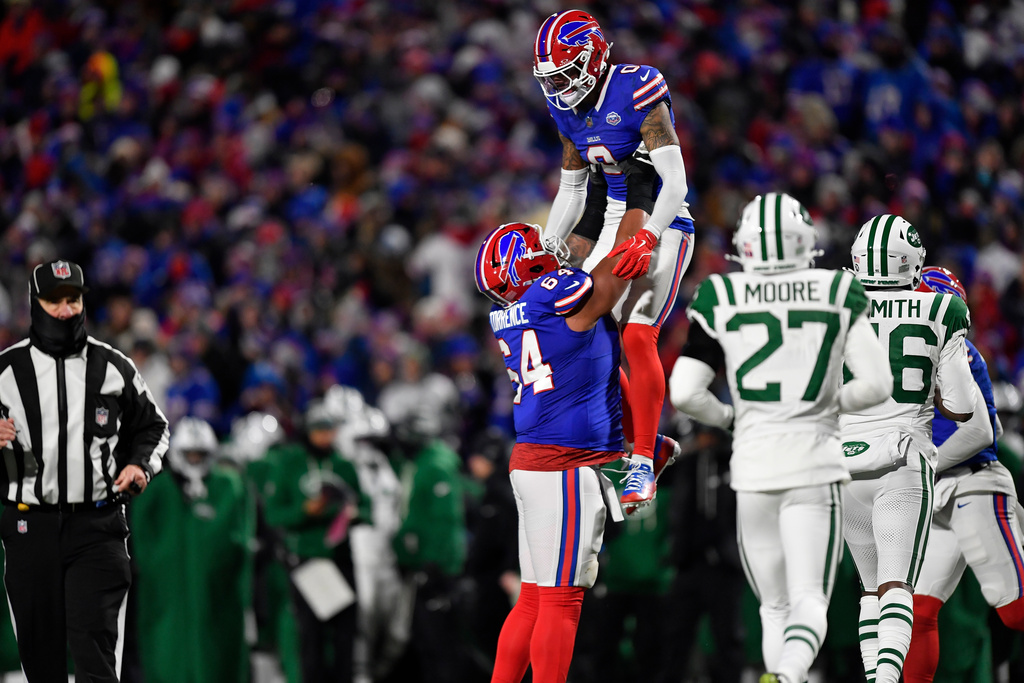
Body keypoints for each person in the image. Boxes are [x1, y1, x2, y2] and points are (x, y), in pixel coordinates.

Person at [669, 193, 893, 683]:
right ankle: (789, 674)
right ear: (803, 241)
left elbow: (684, 392)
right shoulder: (837, 289)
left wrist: (731, 418)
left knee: (773, 606)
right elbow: (878, 385)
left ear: (746, 245)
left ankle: (781, 674)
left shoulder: (720, 293)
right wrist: (825, 404)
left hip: (753, 467)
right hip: (814, 464)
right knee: (809, 598)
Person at [476, 207, 648, 683]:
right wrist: (638, 213)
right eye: (538, 245)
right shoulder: (554, 296)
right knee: (560, 601)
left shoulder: (513, 312)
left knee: (533, 599)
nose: (550, 247)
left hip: (534, 460)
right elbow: (612, 282)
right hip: (564, 465)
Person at [533, 9, 694, 508]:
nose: (559, 86)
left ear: (594, 57)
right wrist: (548, 245)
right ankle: (645, 442)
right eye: (551, 77)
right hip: (607, 219)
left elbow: (675, 182)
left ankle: (642, 462)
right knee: (584, 331)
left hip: (663, 218)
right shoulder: (565, 108)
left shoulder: (636, 88)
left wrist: (648, 237)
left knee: (637, 333)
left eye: (566, 72)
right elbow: (573, 187)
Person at [0, 259, 169, 682]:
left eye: (72, 300)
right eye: (54, 301)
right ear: (34, 303)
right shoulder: (5, 371)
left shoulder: (113, 365)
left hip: (98, 525)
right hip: (30, 526)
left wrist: (140, 464)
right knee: (40, 659)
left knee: (96, 657)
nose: (65, 310)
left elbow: (154, 426)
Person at [838, 217, 977, 683]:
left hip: (843, 459)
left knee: (869, 591)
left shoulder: (834, 303)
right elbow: (962, 407)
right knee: (896, 586)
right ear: (912, 260)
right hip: (901, 459)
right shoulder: (943, 308)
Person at [902, 266, 1024, 682]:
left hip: (974, 484)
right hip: (938, 491)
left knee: (1014, 611)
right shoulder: (918, 349)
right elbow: (995, 426)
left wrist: (924, 463)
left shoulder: (954, 350)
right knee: (916, 611)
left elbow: (981, 432)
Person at [130, 417, 252, 683]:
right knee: (166, 652)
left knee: (217, 654)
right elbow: (141, 540)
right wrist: (154, 567)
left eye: (200, 454)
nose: (195, 460)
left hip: (216, 593)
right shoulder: (157, 489)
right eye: (190, 454)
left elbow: (240, 540)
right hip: (166, 592)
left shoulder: (227, 485)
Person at [263, 400, 370, 683]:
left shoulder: (344, 465)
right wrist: (304, 511)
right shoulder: (290, 463)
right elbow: (273, 514)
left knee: (345, 635)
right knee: (311, 637)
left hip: (340, 557)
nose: (325, 436)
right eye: (319, 430)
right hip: (307, 559)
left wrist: (353, 513)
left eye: (329, 430)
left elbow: (366, 507)